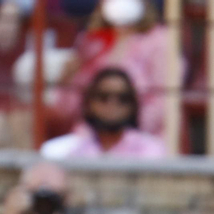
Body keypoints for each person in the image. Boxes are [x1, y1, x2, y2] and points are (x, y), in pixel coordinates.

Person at [56, 0, 175, 138]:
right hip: (90, 139)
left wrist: (121, 133)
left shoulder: (160, 40)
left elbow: (164, 100)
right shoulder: (90, 41)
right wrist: (67, 78)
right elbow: (67, 109)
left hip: (142, 138)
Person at [41, 65, 166, 159]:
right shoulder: (72, 152)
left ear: (133, 105)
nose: (112, 104)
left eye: (123, 98)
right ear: (89, 103)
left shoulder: (151, 151)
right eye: (103, 97)